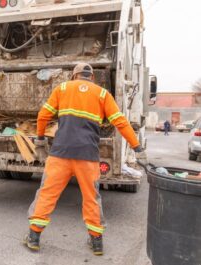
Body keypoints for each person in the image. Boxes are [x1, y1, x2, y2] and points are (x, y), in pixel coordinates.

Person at [24, 63, 147, 255]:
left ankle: (34, 237)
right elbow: (120, 122)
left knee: (47, 194)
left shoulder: (62, 88)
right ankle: (96, 242)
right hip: (88, 156)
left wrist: (40, 138)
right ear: (92, 77)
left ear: (74, 76)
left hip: (60, 154)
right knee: (91, 198)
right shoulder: (102, 94)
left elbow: (43, 116)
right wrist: (136, 146)